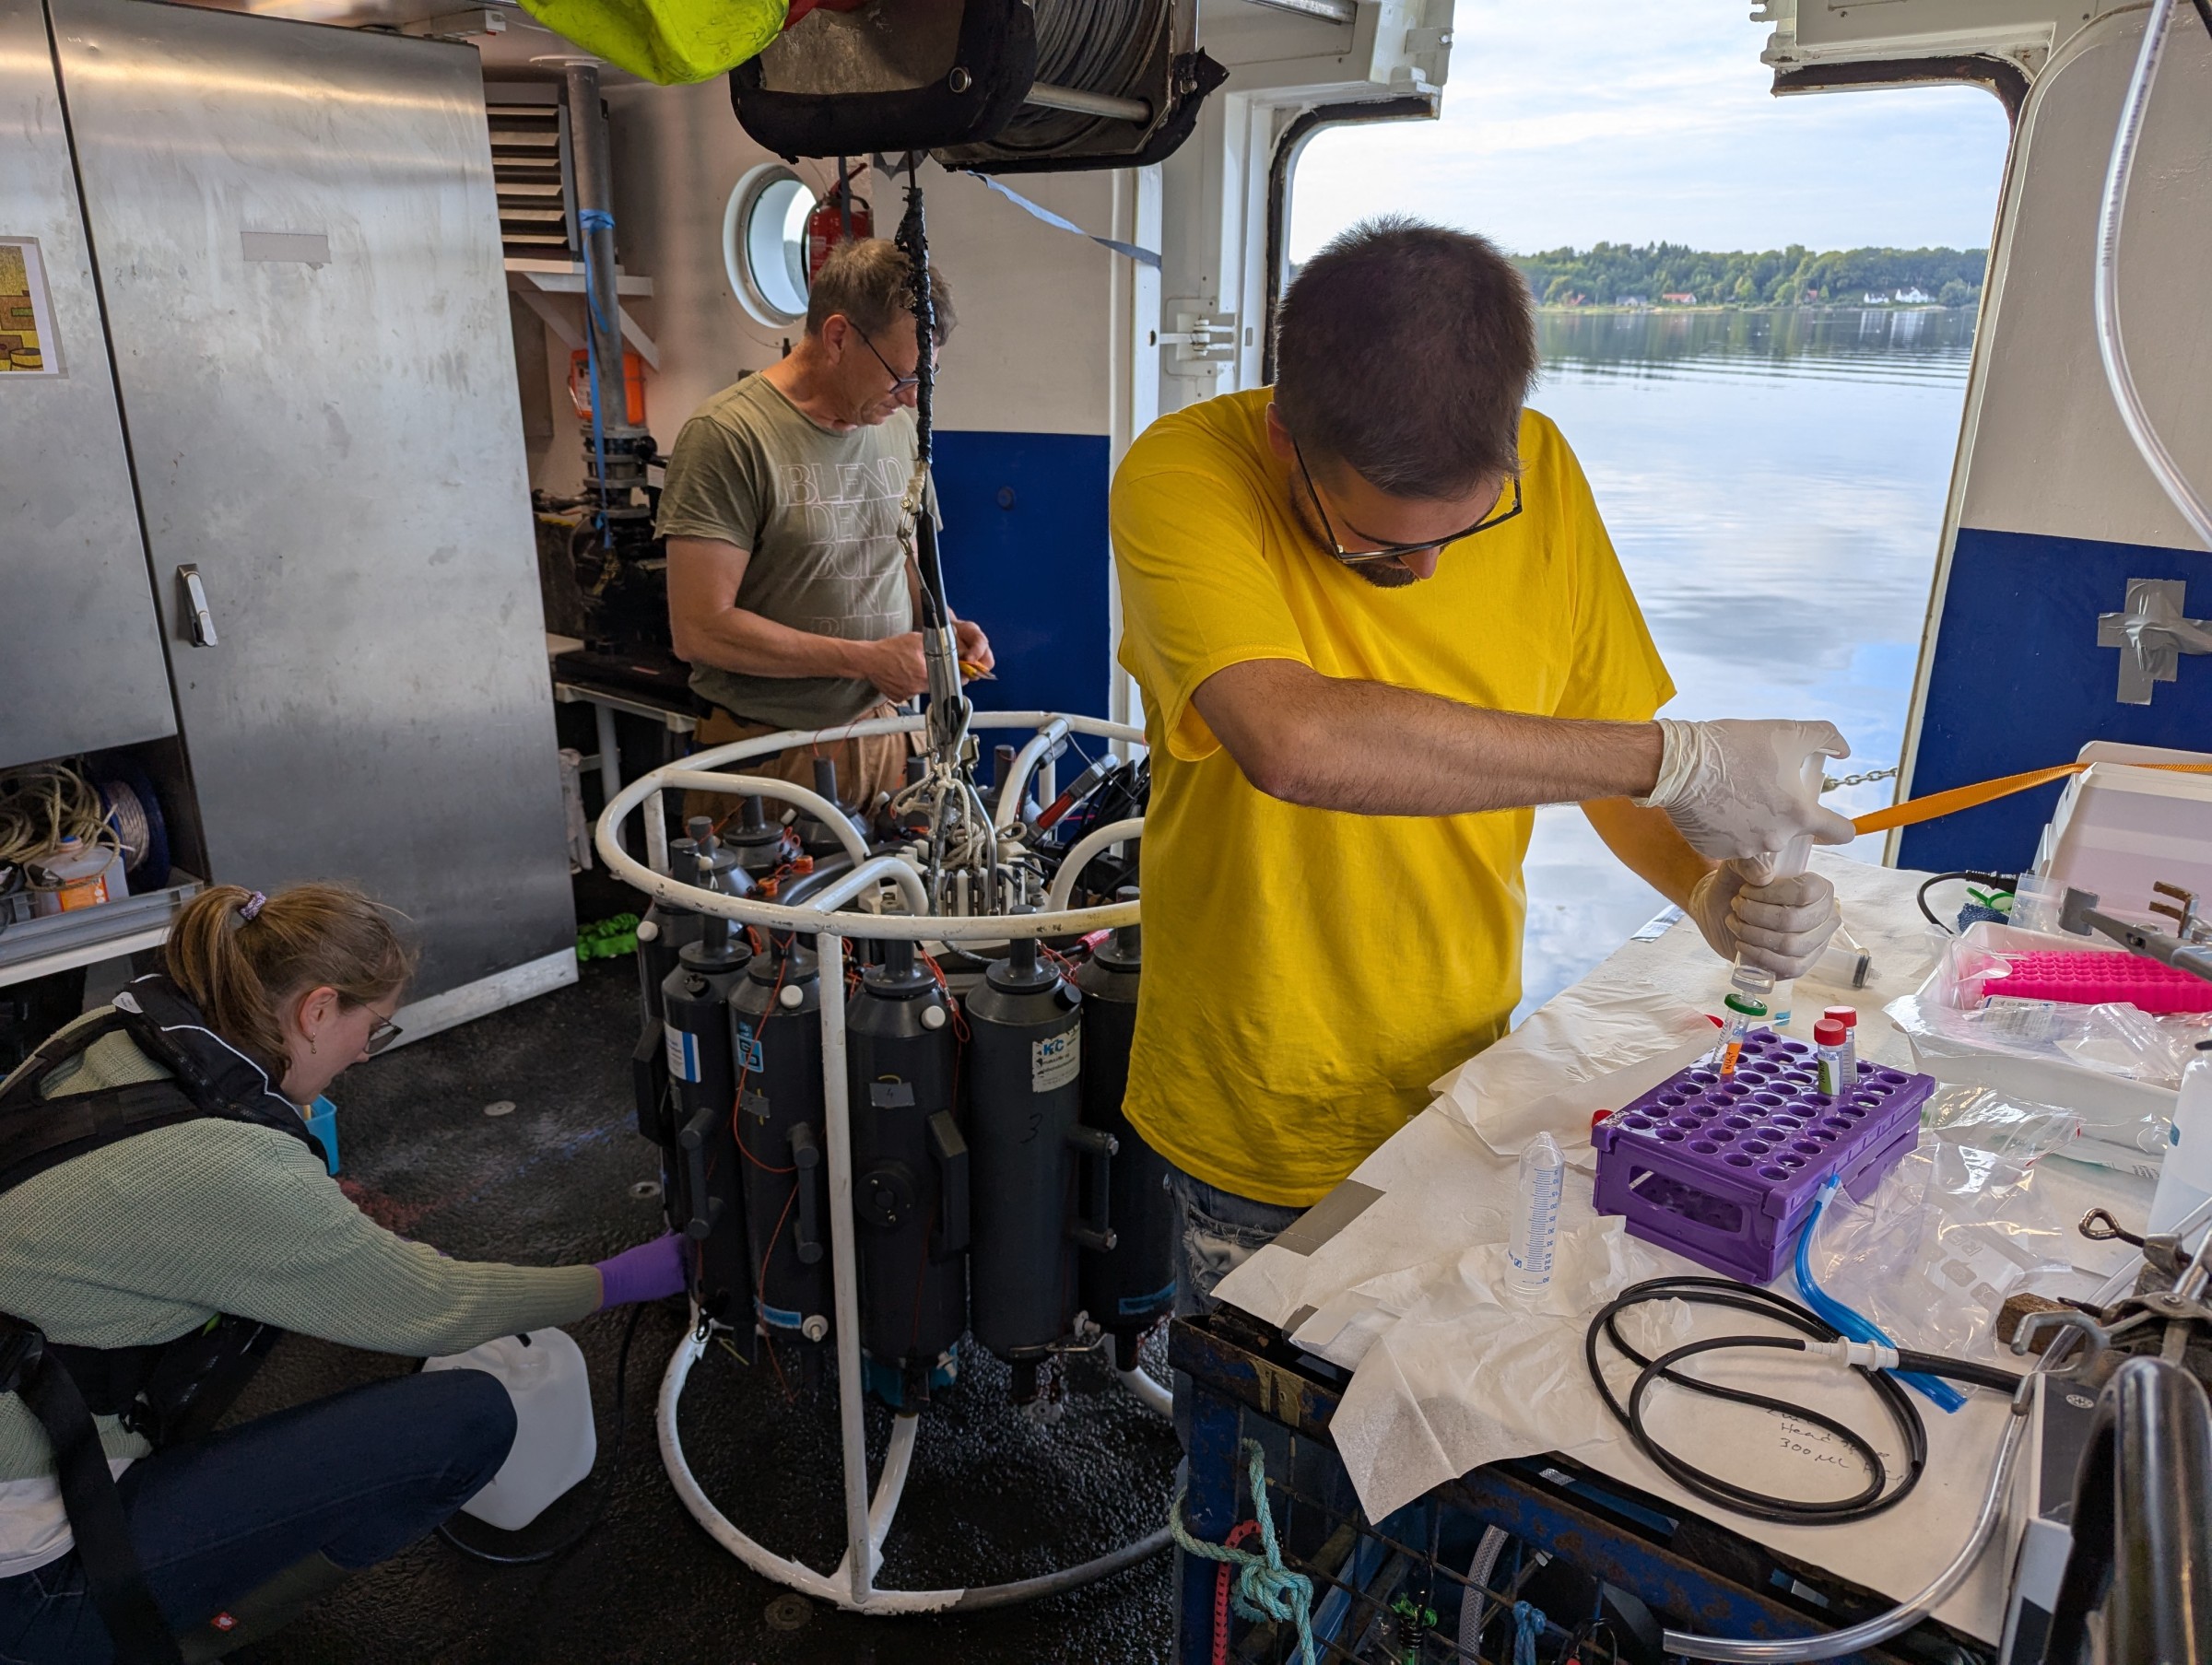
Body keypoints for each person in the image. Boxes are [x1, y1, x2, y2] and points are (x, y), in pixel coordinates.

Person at [1109, 218, 1855, 1319]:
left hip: (1469, 1074)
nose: (1423, 569)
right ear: (1284, 441)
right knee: (1263, 1450)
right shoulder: (1184, 473)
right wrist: (1680, 760)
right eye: (1375, 543)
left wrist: (1707, 886)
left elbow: (1600, 748)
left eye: (1460, 533)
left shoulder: (1542, 471)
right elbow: (1294, 741)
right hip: (1258, 1090)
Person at [0, 883, 686, 1662]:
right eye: (373, 1026)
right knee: (469, 1418)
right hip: (28, 1579)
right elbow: (443, 1306)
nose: (365, 1051)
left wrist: (296, 1203)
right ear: (318, 1008)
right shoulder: (228, 1169)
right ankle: (176, 1638)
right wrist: (620, 1279)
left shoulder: (110, 1033)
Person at [660, 237, 994, 819]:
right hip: (772, 757)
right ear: (838, 337)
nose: (913, 401)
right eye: (901, 377)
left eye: (927, 381)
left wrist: (943, 630)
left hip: (894, 742)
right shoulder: (729, 436)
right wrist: (865, 659)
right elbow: (700, 630)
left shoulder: (893, 426)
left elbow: (905, 566)